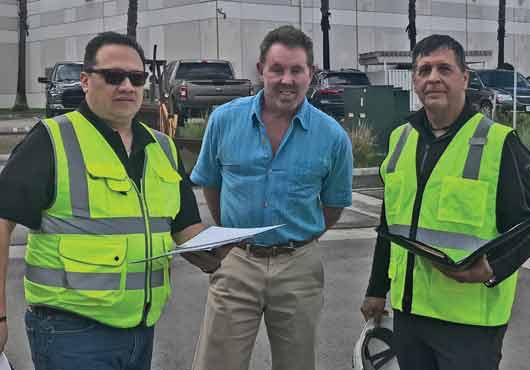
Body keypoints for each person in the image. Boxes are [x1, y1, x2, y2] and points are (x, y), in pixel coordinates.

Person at [0, 31, 205, 370]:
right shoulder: (52, 140)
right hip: (70, 333)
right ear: (85, 81)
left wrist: (215, 253)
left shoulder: (163, 148)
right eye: (113, 76)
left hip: (141, 329)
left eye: (137, 77)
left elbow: (188, 230)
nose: (127, 85)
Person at [361, 34, 530, 370]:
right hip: (409, 314)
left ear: (464, 77)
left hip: (469, 324)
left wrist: (494, 268)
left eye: (444, 68)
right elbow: (389, 225)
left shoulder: (499, 143)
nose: (432, 78)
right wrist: (376, 289)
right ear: (414, 80)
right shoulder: (401, 139)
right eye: (423, 70)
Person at [189, 25, 353, 370]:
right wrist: (232, 234)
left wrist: (301, 238)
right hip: (237, 259)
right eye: (277, 69)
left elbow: (334, 205)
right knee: (216, 363)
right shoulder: (224, 121)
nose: (286, 79)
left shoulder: (333, 137)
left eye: (297, 70)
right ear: (261, 69)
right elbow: (211, 184)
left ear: (311, 74)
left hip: (299, 265)